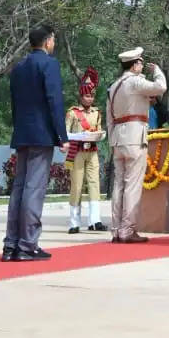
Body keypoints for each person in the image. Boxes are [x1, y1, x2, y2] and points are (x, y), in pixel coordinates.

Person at [2, 21, 68, 262]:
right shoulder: (49, 64)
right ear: (48, 41)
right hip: (41, 135)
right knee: (34, 189)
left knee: (19, 188)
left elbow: (15, 103)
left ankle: (11, 244)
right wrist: (62, 135)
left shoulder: (19, 67)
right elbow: (54, 101)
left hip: (22, 133)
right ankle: (28, 245)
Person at [106, 47, 166, 244]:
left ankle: (116, 229)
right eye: (140, 62)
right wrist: (157, 70)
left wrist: (111, 141)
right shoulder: (135, 81)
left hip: (117, 137)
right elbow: (160, 87)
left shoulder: (113, 86)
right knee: (132, 185)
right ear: (135, 65)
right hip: (134, 135)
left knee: (119, 185)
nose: (142, 65)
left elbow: (109, 119)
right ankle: (127, 229)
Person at [65, 66, 106, 233]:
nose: (89, 99)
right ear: (81, 96)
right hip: (77, 152)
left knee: (95, 185)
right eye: (87, 96)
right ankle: (74, 222)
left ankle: (95, 220)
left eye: (92, 96)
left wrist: (99, 135)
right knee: (76, 186)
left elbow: (99, 131)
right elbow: (65, 133)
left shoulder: (97, 112)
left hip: (92, 151)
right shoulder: (73, 113)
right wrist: (79, 136)